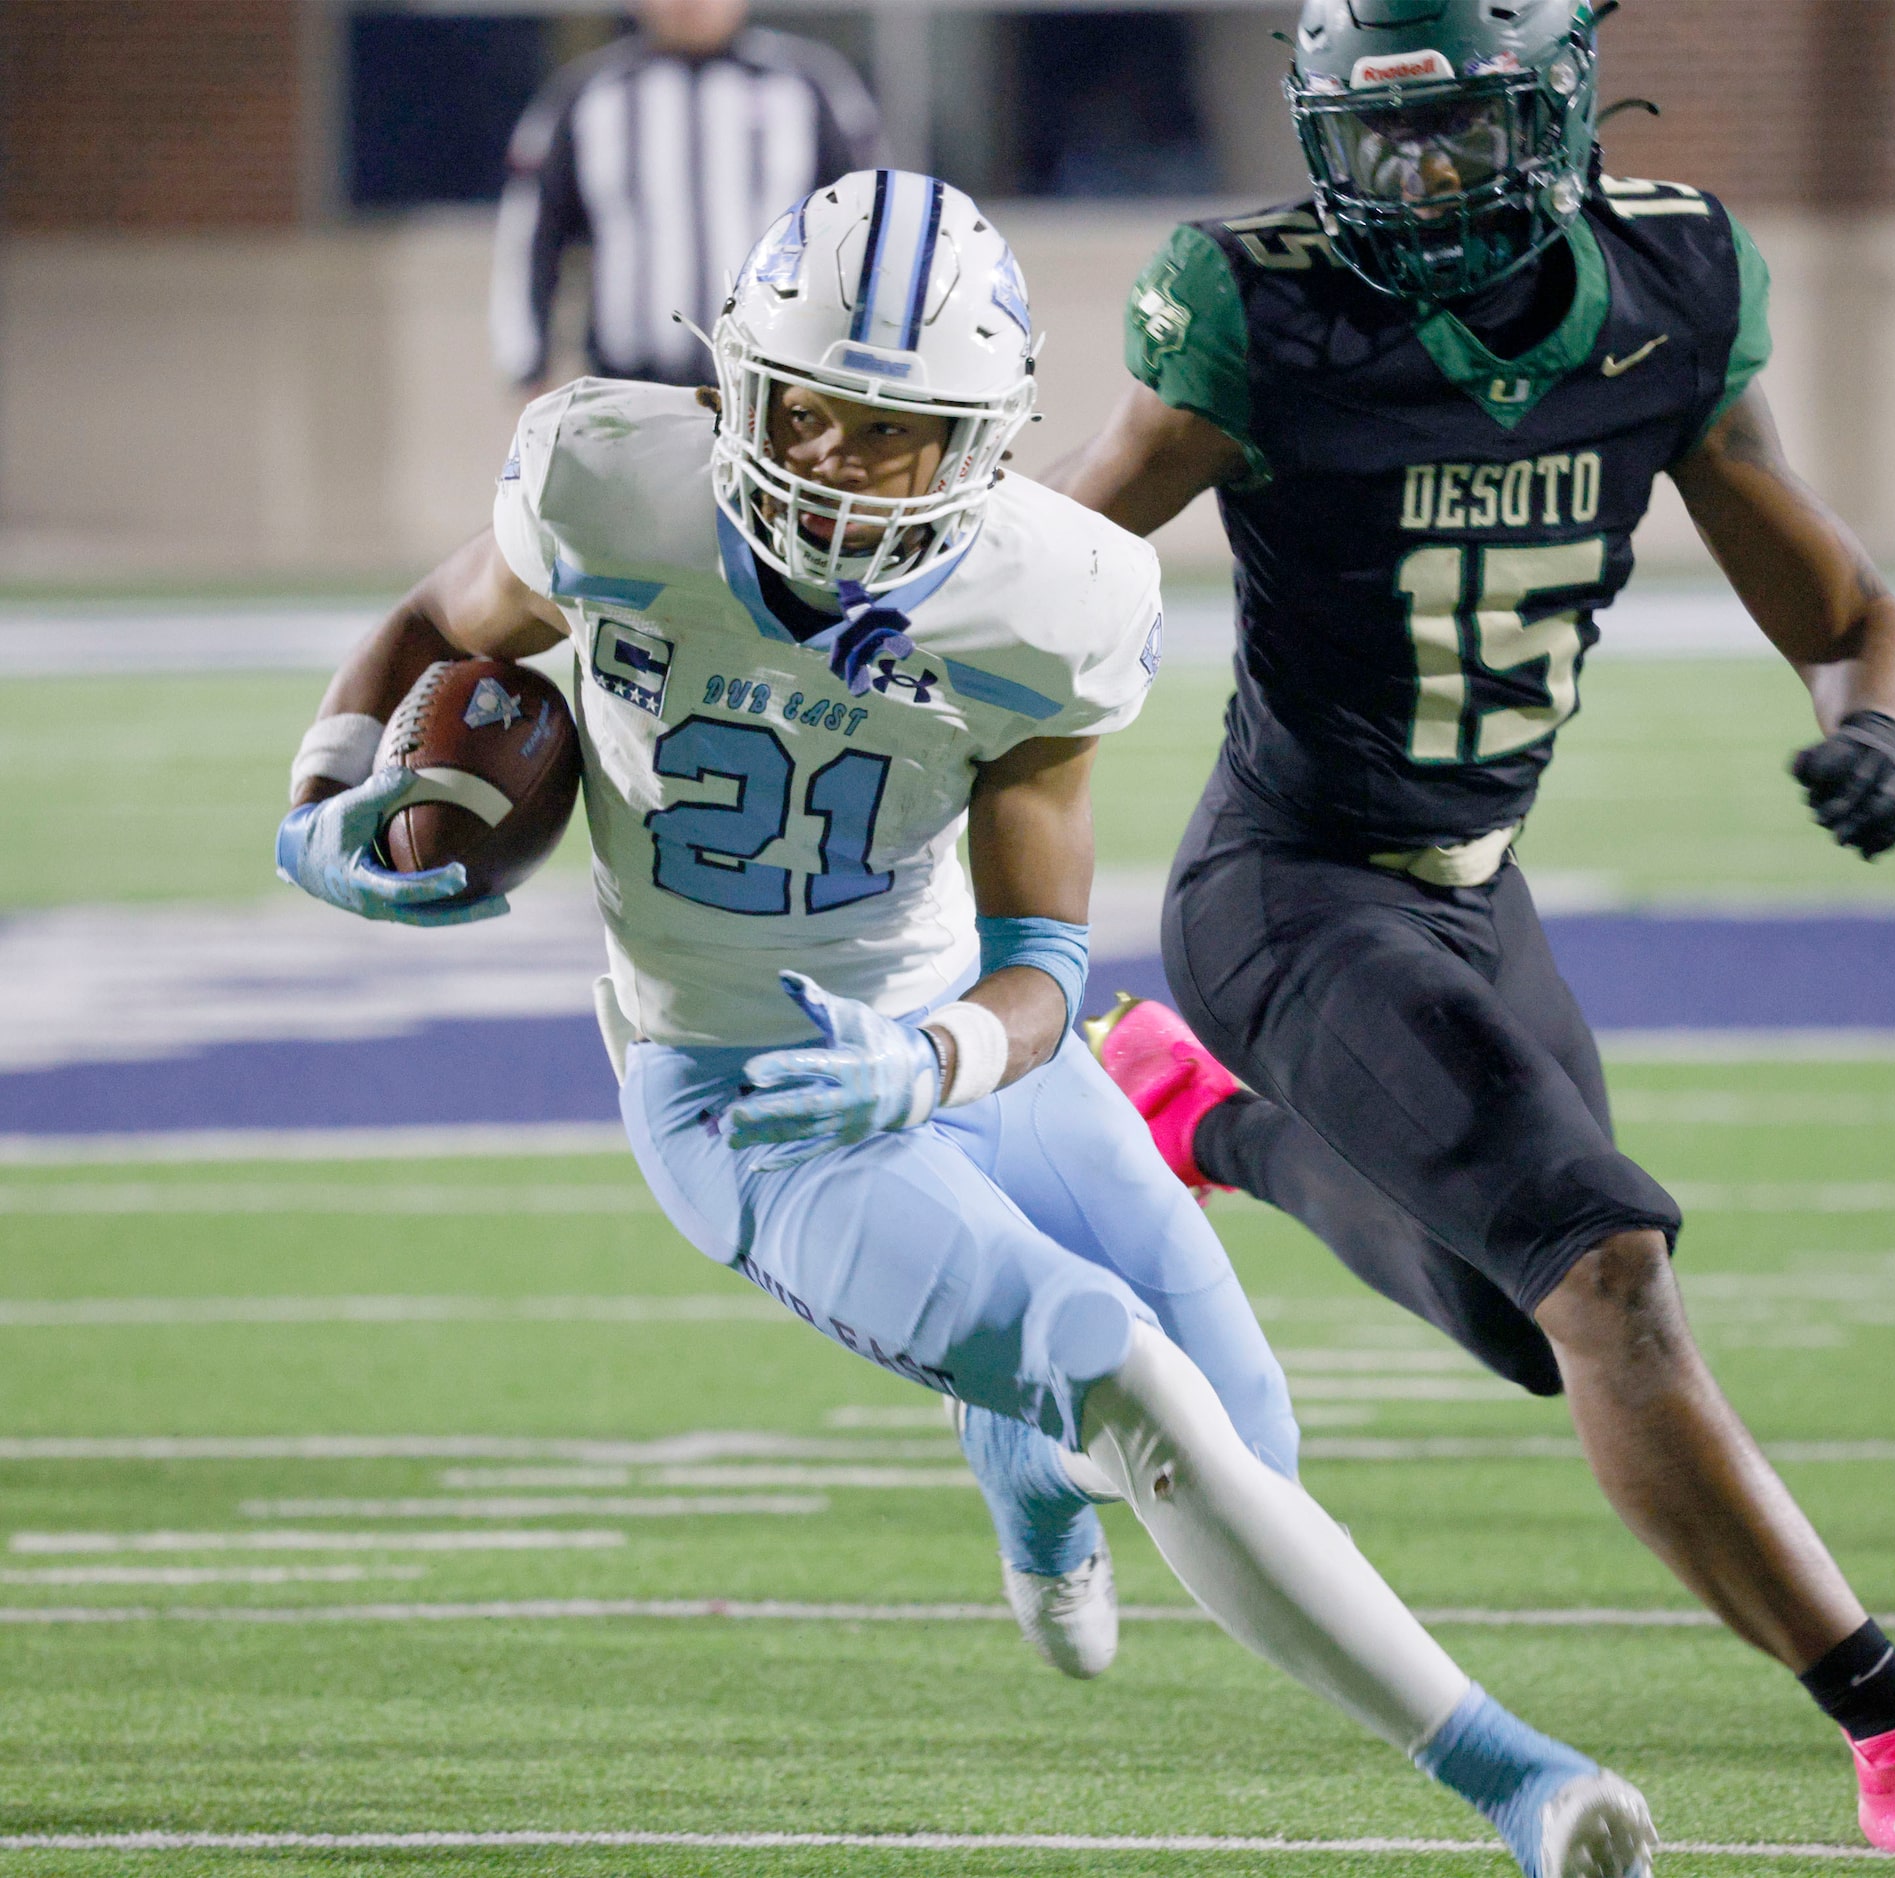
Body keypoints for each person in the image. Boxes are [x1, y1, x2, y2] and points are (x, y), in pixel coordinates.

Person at [276, 168, 1662, 1878]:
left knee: (1248, 1426)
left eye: (899, 433)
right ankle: (1512, 1776)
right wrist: (331, 790)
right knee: (1120, 1370)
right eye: (812, 415)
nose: (845, 469)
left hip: (960, 1042)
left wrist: (934, 1057)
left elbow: (1040, 964)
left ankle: (1020, 1474)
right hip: (747, 1093)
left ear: (991, 440)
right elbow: (434, 623)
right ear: (732, 390)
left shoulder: (1049, 599)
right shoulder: (608, 489)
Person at [1046, 0, 1895, 1861]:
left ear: (1552, 111)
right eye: (1374, 139)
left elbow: (1854, 611)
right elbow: (1044, 566)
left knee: (1533, 1324)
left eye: (1455, 127)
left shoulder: (1664, 287)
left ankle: (1190, 1111)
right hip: (1284, 886)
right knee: (1605, 1267)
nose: (1417, 177)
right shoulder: (1259, 305)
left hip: (1473, 887)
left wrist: (1866, 727)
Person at [492, 0, 882, 390]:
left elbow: (871, 222)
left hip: (783, 380)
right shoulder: (590, 93)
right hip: (631, 383)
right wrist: (528, 360)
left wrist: (874, 349)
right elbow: (534, 232)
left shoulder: (809, 85)